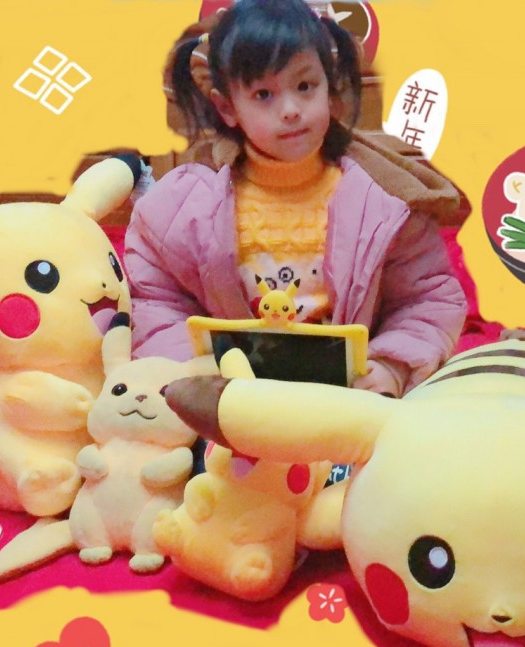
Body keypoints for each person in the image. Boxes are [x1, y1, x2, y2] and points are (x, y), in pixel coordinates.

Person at [125, 0, 466, 397]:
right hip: (232, 399)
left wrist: (392, 364)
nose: (290, 110)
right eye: (263, 94)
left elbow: (426, 298)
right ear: (227, 107)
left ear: (330, 89)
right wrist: (190, 370)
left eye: (305, 86)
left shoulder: (384, 200)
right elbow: (155, 300)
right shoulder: (183, 206)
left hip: (351, 397)